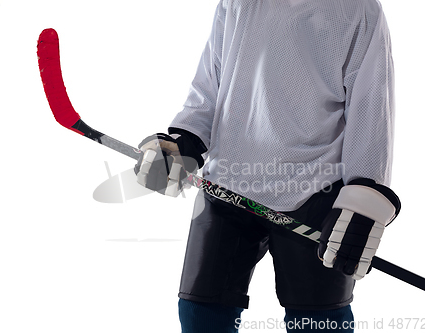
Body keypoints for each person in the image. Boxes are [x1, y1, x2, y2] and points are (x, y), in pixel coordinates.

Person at [134, 0, 401, 331]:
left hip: (314, 190)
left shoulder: (359, 9)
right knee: (200, 314)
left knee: (319, 323)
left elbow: (371, 106)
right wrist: (185, 141)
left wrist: (364, 192)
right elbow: (212, 80)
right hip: (227, 185)